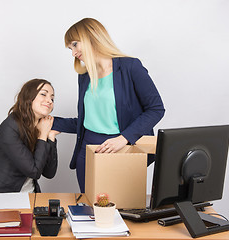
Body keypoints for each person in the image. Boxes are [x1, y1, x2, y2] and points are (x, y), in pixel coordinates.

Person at [52, 18, 165, 193]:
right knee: (90, 211)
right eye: (70, 48)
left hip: (121, 149)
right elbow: (86, 120)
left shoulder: (130, 67)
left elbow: (156, 109)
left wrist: (124, 138)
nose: (73, 53)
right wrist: (49, 122)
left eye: (75, 44)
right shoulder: (85, 76)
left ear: (91, 37)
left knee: (122, 210)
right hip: (88, 150)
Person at [0, 79, 58, 193]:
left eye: (52, 98)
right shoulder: (10, 127)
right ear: (28, 96)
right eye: (43, 94)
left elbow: (49, 173)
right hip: (2, 196)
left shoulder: (41, 126)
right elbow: (34, 172)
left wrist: (50, 137)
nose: (49, 100)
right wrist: (42, 136)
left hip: (30, 195)